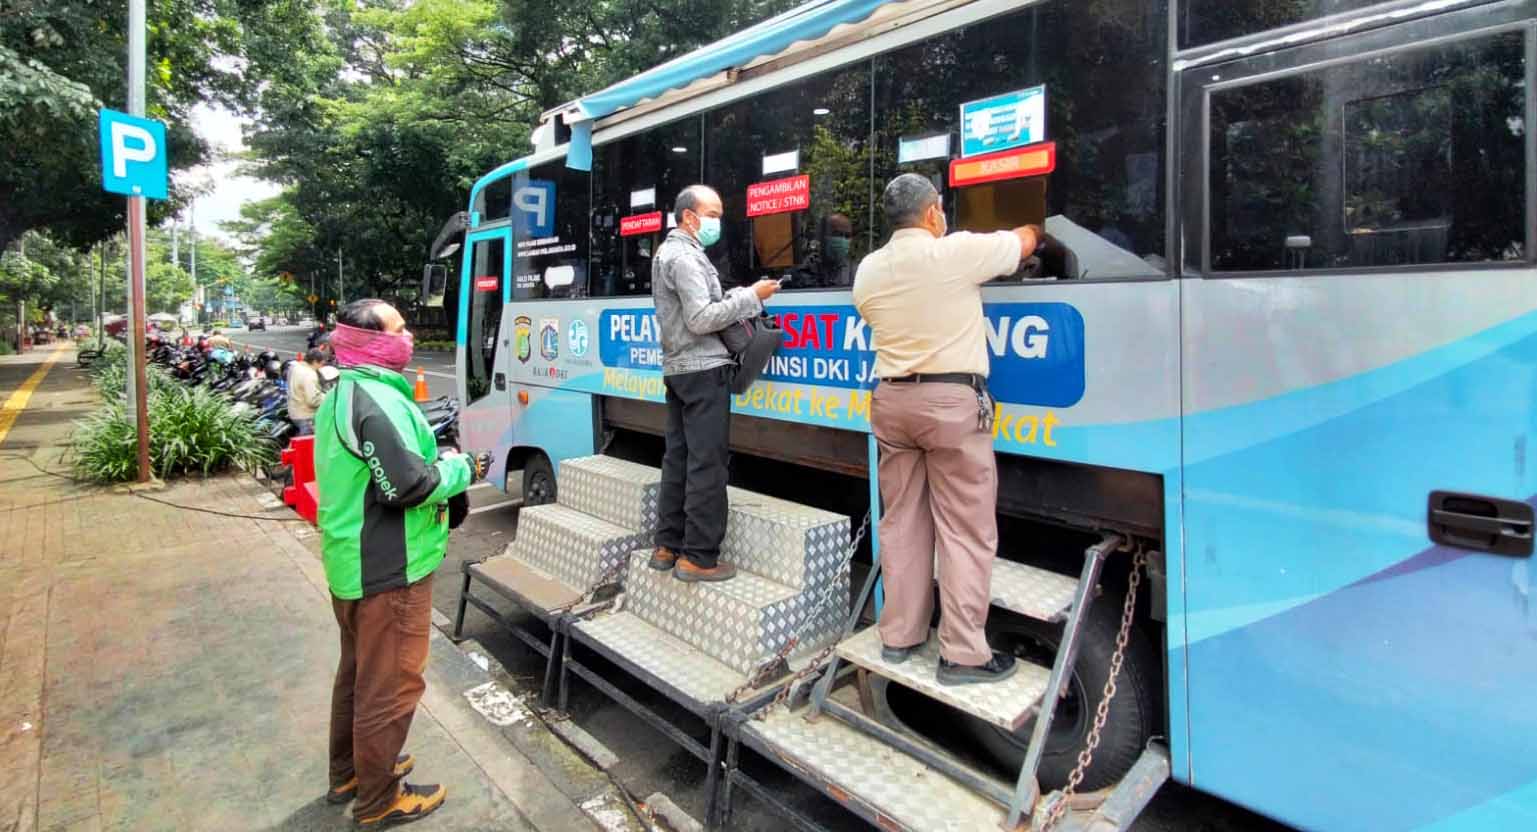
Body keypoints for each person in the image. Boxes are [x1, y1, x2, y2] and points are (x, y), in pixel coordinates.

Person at [853, 174, 1040, 686]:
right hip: (950, 404)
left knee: (903, 522)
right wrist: (1038, 224)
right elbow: (1023, 241)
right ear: (934, 211)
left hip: (890, 402)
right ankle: (962, 654)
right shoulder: (954, 253)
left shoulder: (867, 270)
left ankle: (899, 635)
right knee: (964, 529)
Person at [313, 299, 491, 826]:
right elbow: (408, 485)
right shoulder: (376, 401)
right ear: (372, 342)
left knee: (358, 675)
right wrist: (461, 467)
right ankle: (379, 798)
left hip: (352, 565)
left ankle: (351, 772)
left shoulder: (342, 392)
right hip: (390, 571)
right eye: (399, 328)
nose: (408, 335)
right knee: (389, 687)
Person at [648, 185, 781, 582]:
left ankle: (667, 545)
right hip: (703, 370)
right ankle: (699, 558)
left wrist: (740, 295)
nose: (718, 222)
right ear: (690, 217)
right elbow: (701, 318)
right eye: (713, 213)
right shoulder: (685, 257)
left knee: (679, 459)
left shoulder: (665, 254)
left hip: (678, 370)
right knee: (707, 464)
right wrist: (753, 296)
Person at [287, 348, 328, 435]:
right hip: (305, 415)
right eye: (321, 363)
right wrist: (327, 397)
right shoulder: (309, 374)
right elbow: (313, 400)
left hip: (294, 411)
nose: (321, 367)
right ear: (315, 361)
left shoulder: (295, 367)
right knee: (307, 444)